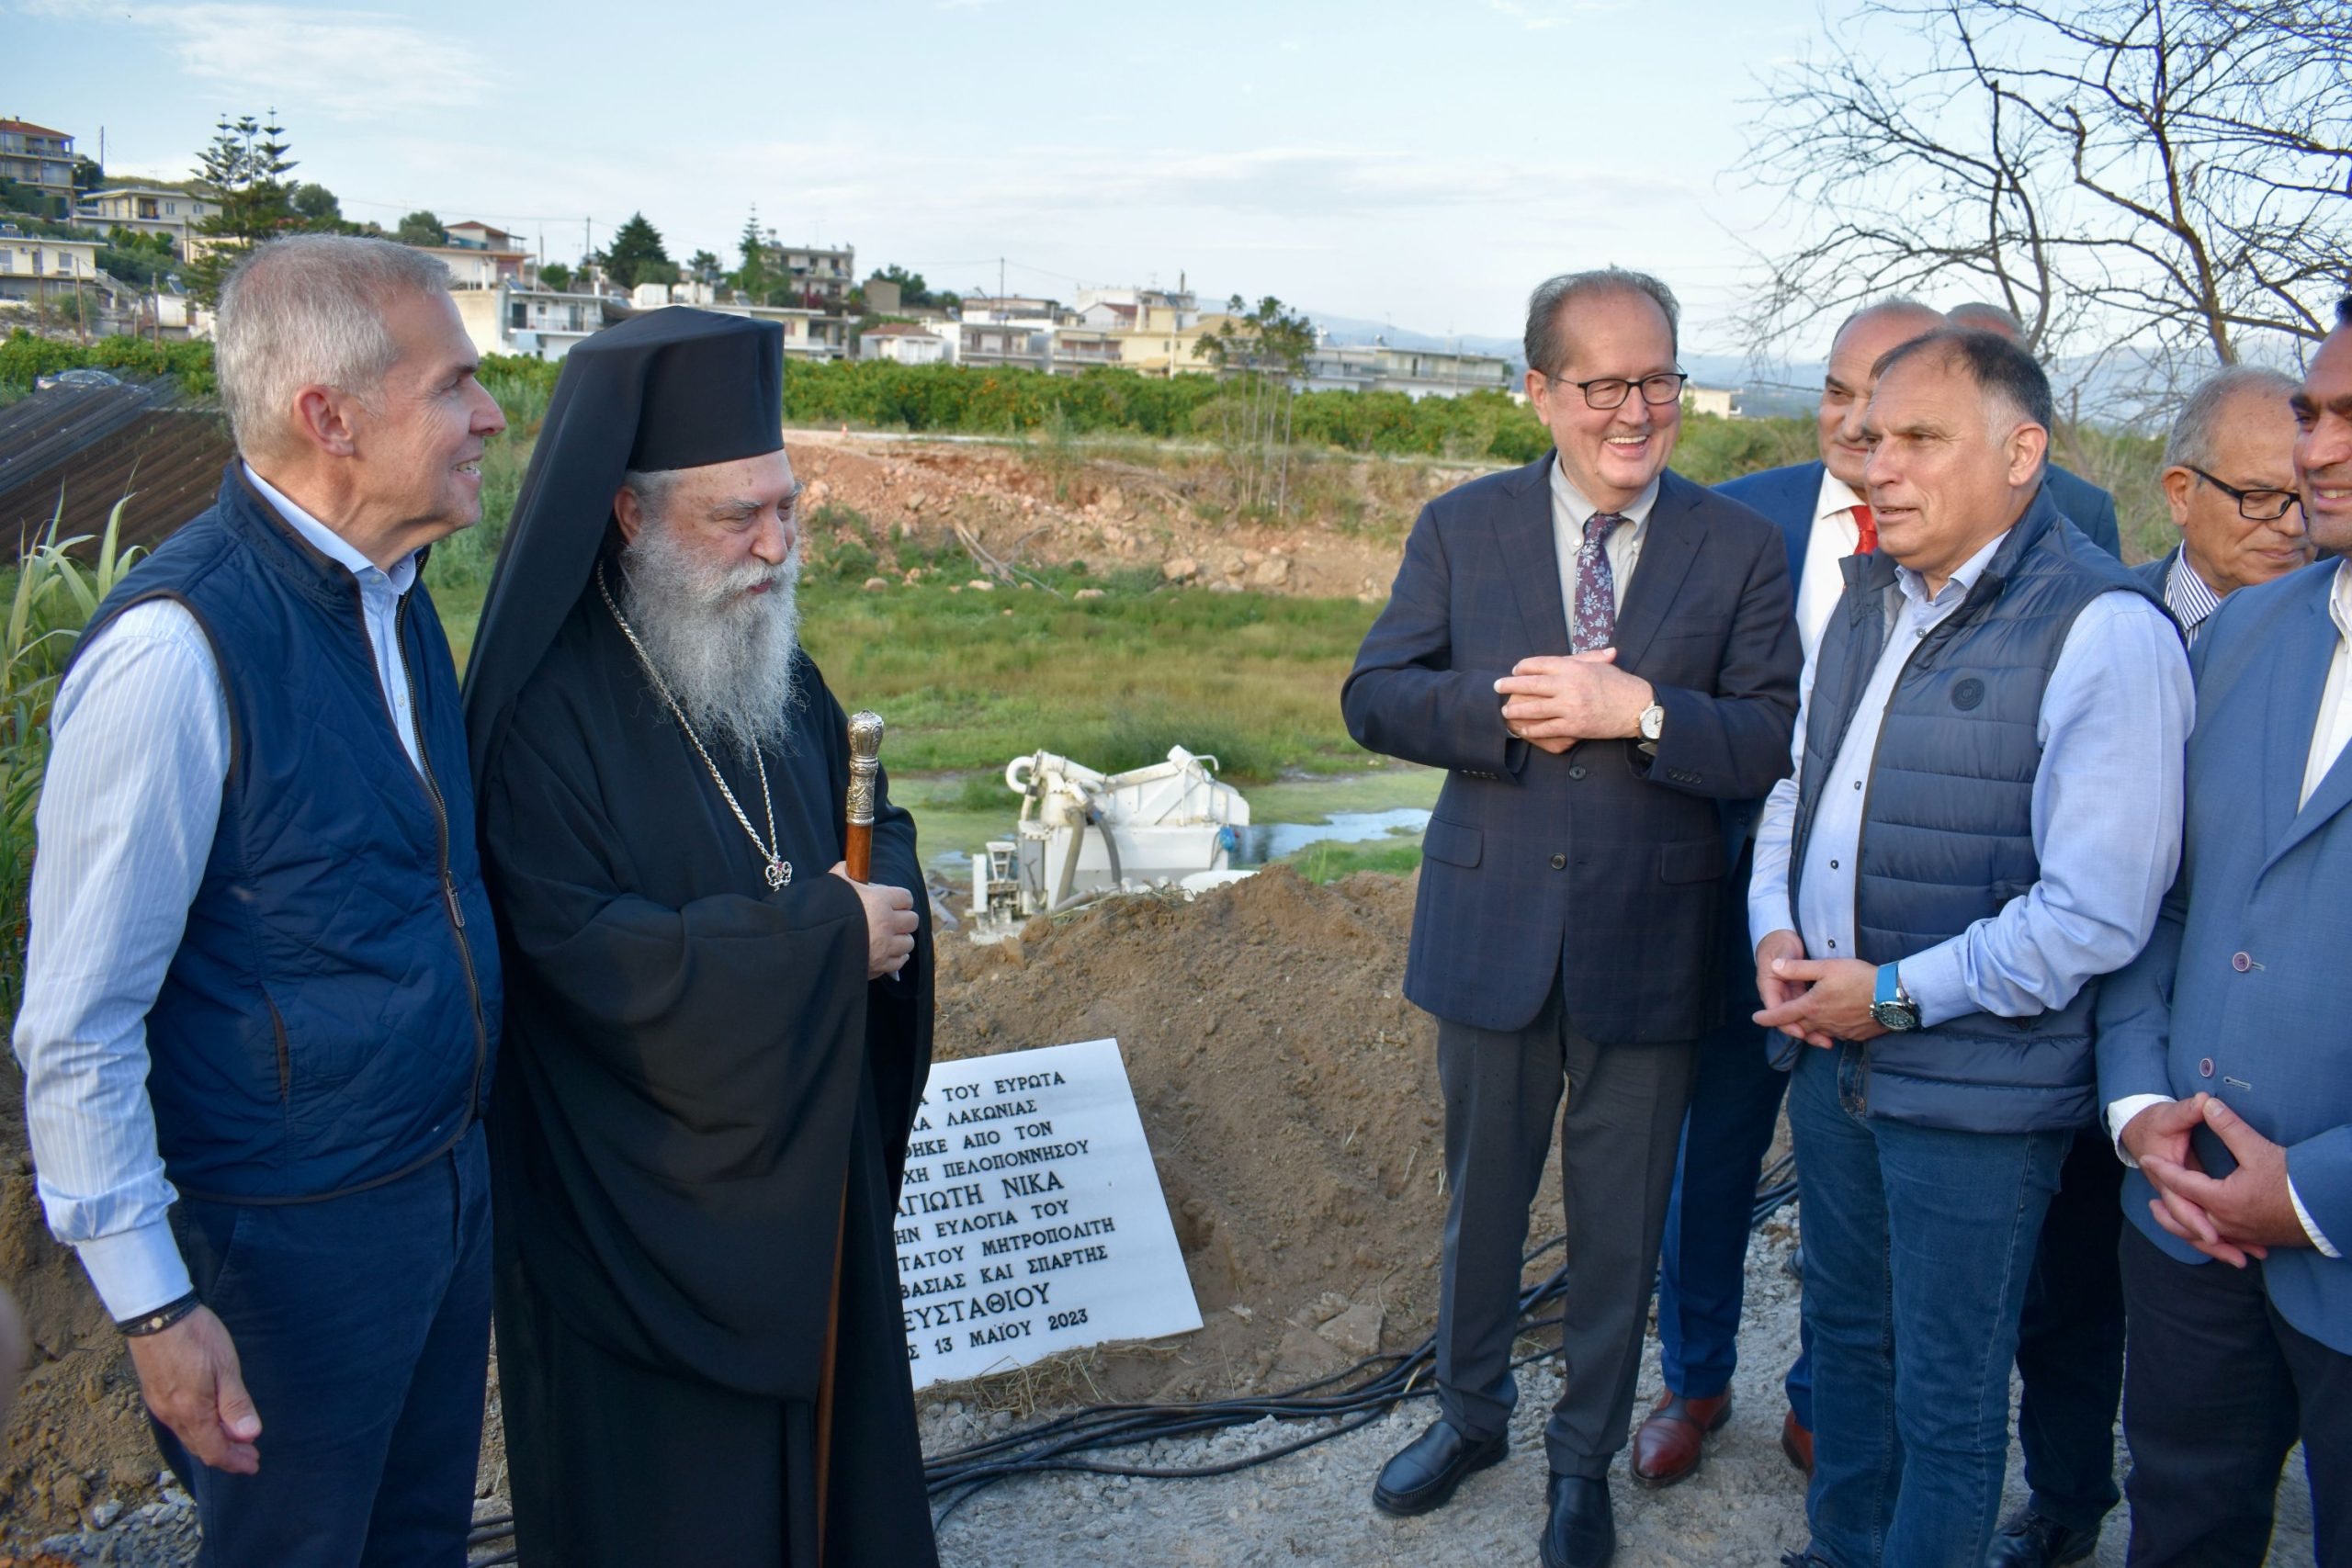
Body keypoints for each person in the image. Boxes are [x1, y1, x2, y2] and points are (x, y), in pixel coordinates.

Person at [10, 234, 506, 1562]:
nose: (491, 413)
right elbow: (77, 1022)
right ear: (328, 416)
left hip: (437, 1197)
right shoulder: (176, 654)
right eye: (455, 384)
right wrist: (156, 1308)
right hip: (286, 1256)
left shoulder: (397, 599)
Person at [462, 308, 935, 1567]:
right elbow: (575, 953)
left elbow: (869, 815)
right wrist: (815, 940)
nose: (775, 549)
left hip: (801, 1156)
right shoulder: (543, 716)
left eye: (787, 508)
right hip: (647, 1209)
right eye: (739, 518)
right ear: (630, 515)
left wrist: (876, 898)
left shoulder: (774, 662)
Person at [1344, 268, 1801, 1568]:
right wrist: (1500, 706)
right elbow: (1373, 693)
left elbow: (1769, 736)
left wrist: (1642, 712)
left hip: (1656, 950)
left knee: (1618, 1226)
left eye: (1657, 377)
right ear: (1539, 391)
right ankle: (1470, 1414)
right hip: (1488, 932)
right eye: (1601, 382)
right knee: (1479, 1205)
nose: (1635, 408)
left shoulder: (1737, 545)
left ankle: (1580, 1458)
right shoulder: (1461, 527)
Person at [1748, 327, 2190, 1568]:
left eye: (1921, 439)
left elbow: (2095, 912)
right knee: (1847, 1340)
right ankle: (1845, 1549)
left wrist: (1884, 995)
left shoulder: (2105, 629)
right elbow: (1799, 789)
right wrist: (1776, 932)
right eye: (1873, 437)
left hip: (1975, 1087)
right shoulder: (1870, 599)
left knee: (1947, 1389)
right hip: (1833, 1056)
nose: (1878, 464)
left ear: (2021, 451)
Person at [1634, 298, 1941, 1490]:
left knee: (1853, 1176)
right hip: (1721, 909)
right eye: (1834, 389)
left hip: (1894, 934)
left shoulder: (1987, 524)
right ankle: (1694, 1376)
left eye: (1885, 394)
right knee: (1705, 1158)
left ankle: (1828, 1393)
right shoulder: (1730, 518)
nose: (1855, 420)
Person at [2093, 299, 2352, 1566]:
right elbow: (2170, 902)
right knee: (2182, 1522)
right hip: (2183, 1225)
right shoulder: (2250, 628)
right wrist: (2139, 1104)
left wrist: (2308, 1189)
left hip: (2340, 1244)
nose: (2317, 453)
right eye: (2314, 413)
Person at [2138, 367, 2309, 643]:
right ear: (2180, 493)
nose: (2293, 525)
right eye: (2258, 498)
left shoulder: (2340, 623)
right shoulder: (2103, 619)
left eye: (2311, 498)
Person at [1943, 302, 2123, 558]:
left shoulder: (2086, 508)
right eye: (1963, 366)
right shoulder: (1887, 484)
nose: (1980, 384)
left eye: (1997, 370)